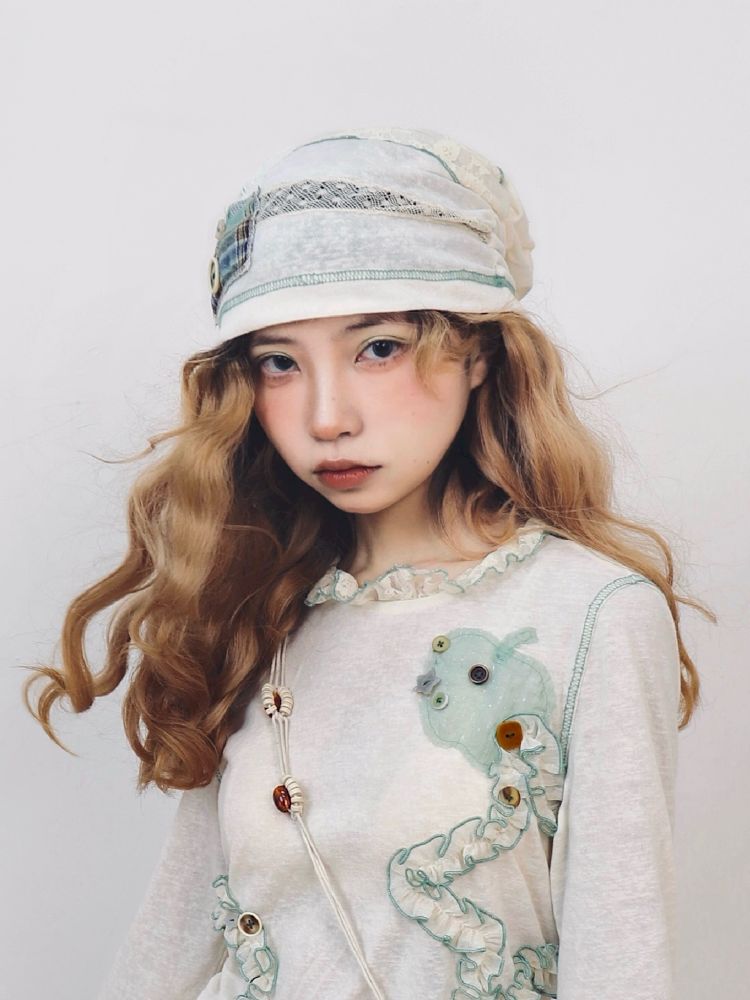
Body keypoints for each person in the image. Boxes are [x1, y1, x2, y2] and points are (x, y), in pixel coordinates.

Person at [22, 126, 715, 1000]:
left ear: (478, 353)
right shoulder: (263, 608)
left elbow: (622, 962)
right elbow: (172, 937)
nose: (327, 417)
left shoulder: (592, 613)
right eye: (279, 363)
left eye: (378, 347)